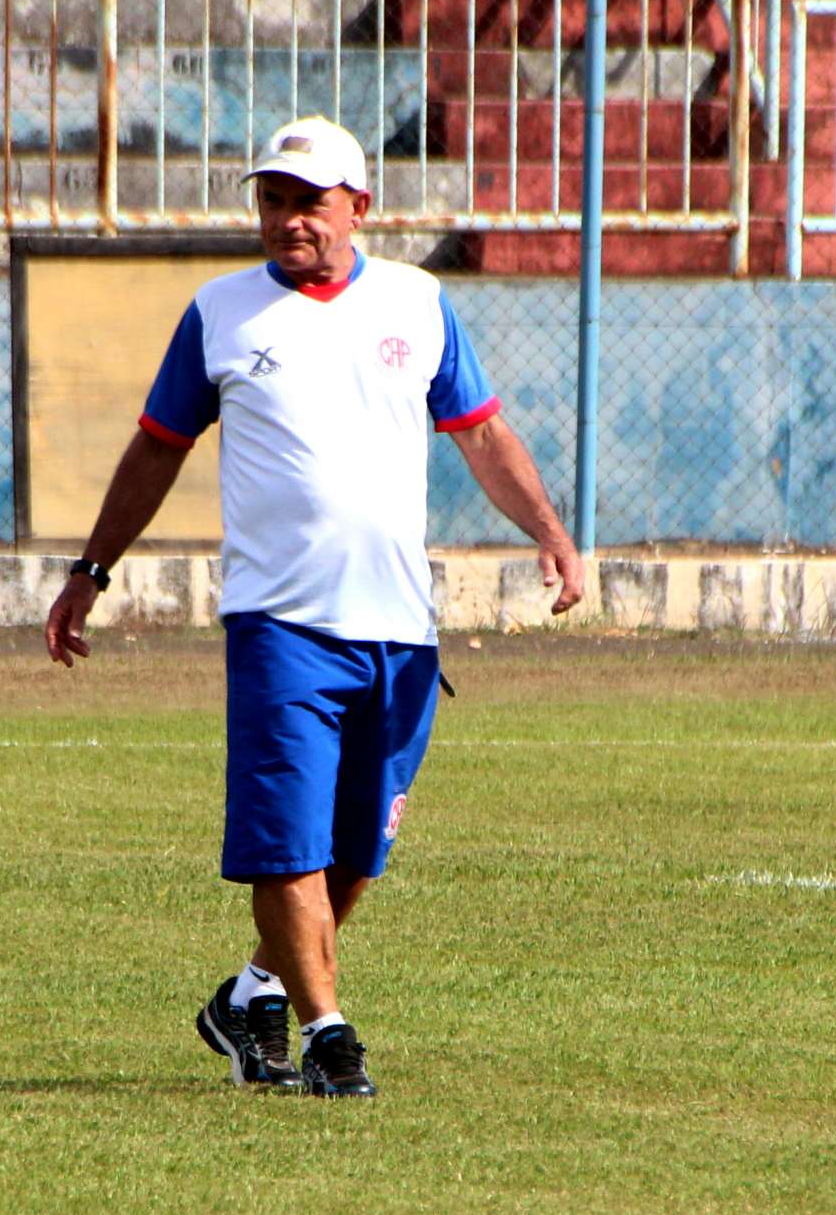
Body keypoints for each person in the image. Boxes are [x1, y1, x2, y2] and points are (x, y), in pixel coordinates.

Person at [44, 115, 581, 1098]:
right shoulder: (220, 312)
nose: (288, 219)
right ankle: (330, 1037)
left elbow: (481, 432)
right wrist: (92, 569)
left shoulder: (417, 303)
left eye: (309, 201)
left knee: (356, 855)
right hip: (280, 626)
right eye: (272, 200)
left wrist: (547, 530)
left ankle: (250, 993)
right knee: (286, 844)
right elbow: (157, 446)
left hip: (400, 633)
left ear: (358, 208)